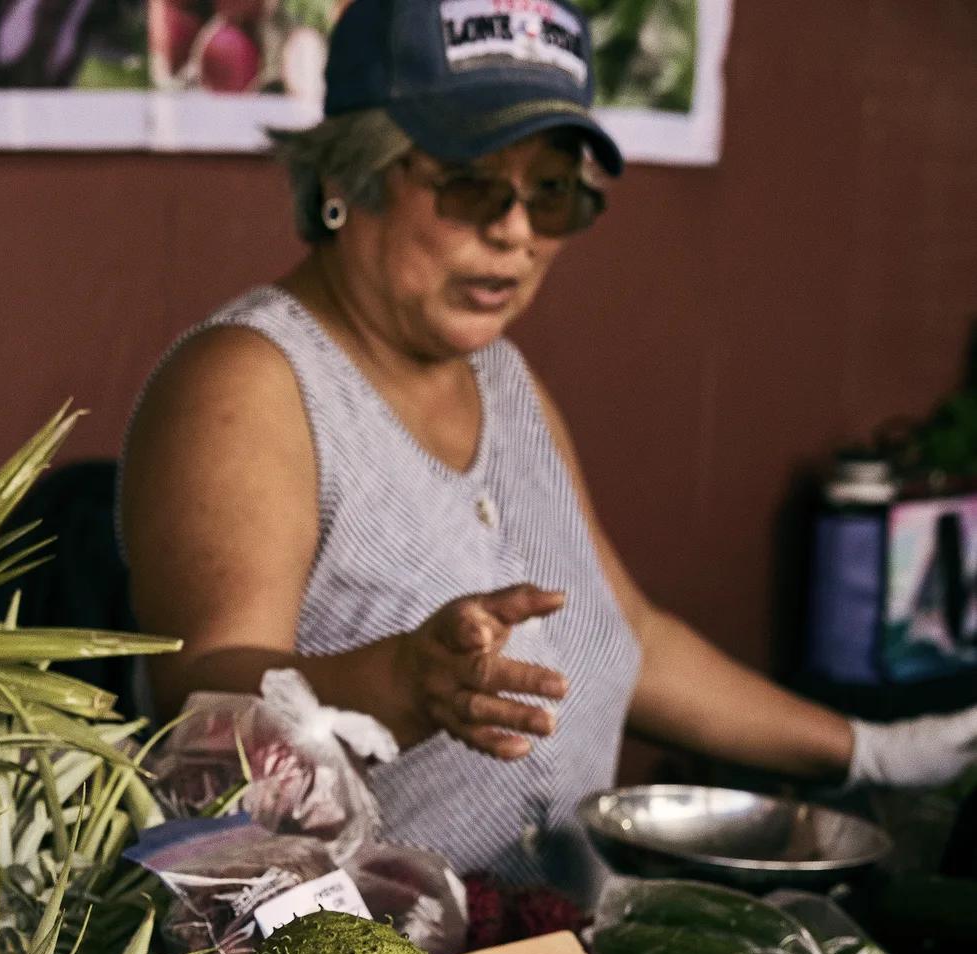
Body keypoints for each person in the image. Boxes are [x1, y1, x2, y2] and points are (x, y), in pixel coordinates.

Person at [120, 0, 977, 891]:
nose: (517, 235)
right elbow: (201, 699)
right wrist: (405, 682)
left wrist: (868, 753)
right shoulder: (251, 377)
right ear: (352, 177)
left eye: (551, 194)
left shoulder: (500, 376)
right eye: (470, 185)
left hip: (551, 939)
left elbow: (623, 635)